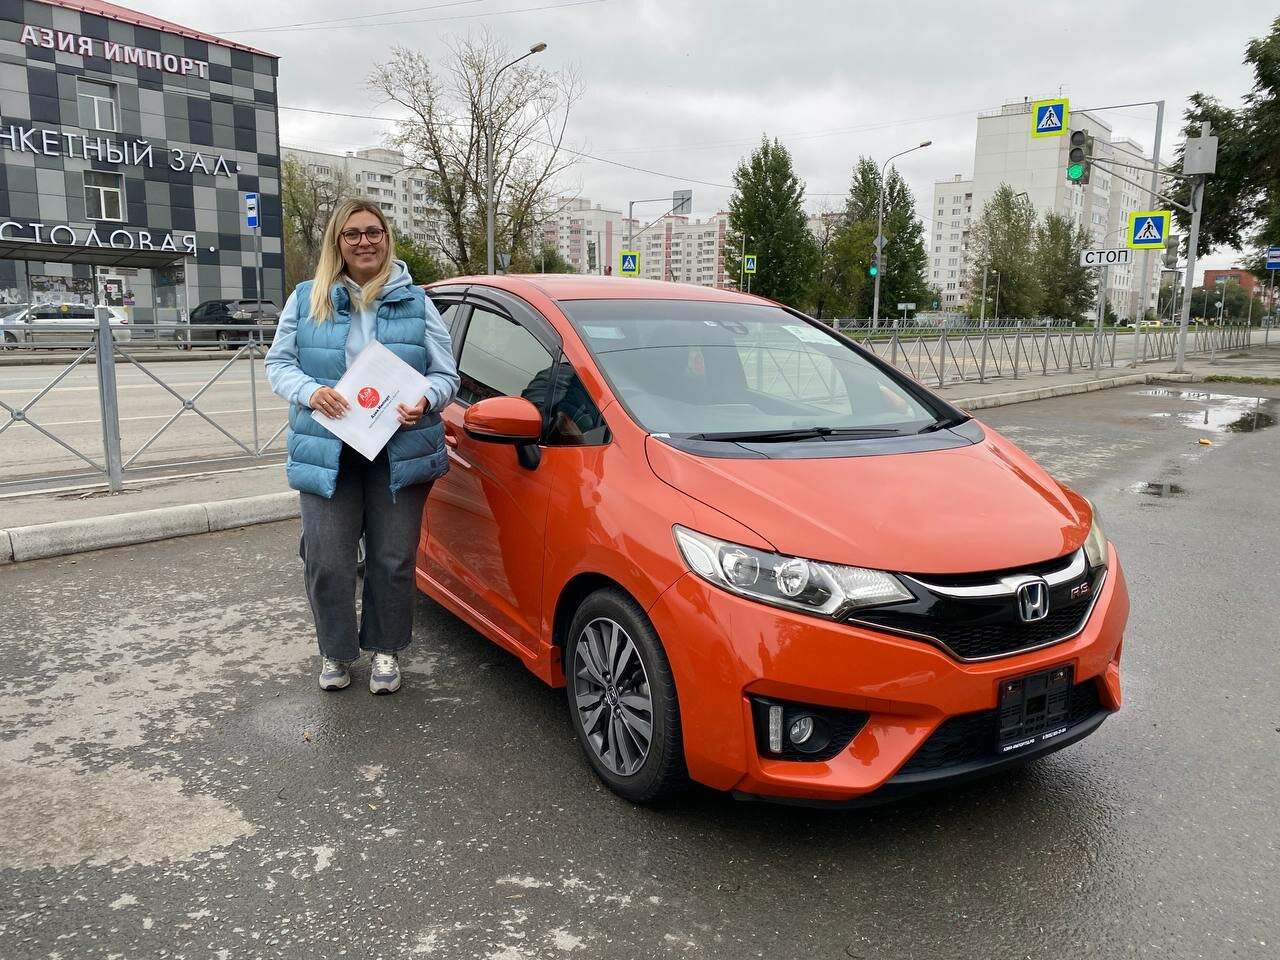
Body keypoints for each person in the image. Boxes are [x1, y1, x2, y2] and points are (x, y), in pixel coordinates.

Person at [266, 199, 459, 694]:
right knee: (327, 560)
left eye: (374, 232)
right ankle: (335, 651)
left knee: (392, 560)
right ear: (338, 241)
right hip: (328, 447)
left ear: (386, 238)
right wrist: (311, 392)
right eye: (352, 234)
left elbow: (446, 375)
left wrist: (425, 399)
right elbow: (278, 364)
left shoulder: (415, 301)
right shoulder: (307, 298)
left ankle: (386, 650)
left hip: (399, 448)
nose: (364, 242)